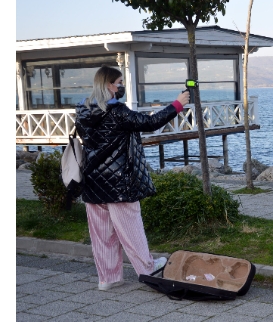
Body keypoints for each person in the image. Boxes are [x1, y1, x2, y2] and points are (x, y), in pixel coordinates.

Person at [75, 65, 190, 291]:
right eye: (118, 83)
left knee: (102, 235)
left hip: (93, 182)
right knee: (131, 230)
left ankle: (108, 278)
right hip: (119, 182)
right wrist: (177, 104)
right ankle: (147, 270)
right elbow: (149, 123)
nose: (121, 88)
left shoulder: (83, 111)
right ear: (108, 85)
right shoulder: (117, 111)